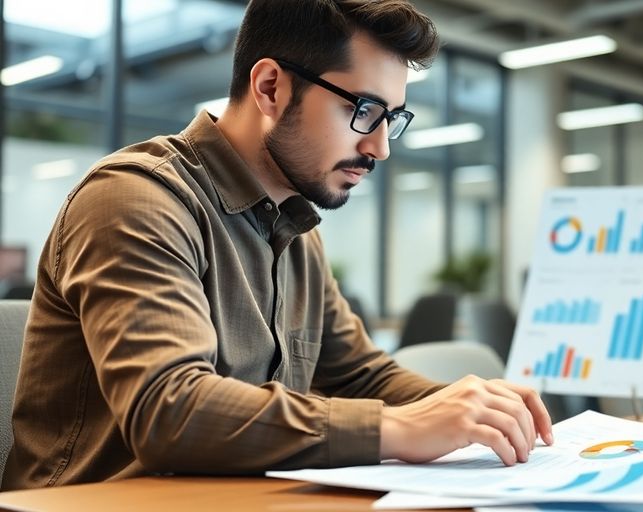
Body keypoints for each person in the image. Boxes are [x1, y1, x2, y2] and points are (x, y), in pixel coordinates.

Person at [2, 0, 552, 490]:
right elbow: (169, 410)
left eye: (392, 118)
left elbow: (362, 376)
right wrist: (401, 426)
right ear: (270, 87)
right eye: (362, 110)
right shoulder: (136, 199)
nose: (380, 147)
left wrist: (477, 408)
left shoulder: (293, 226)